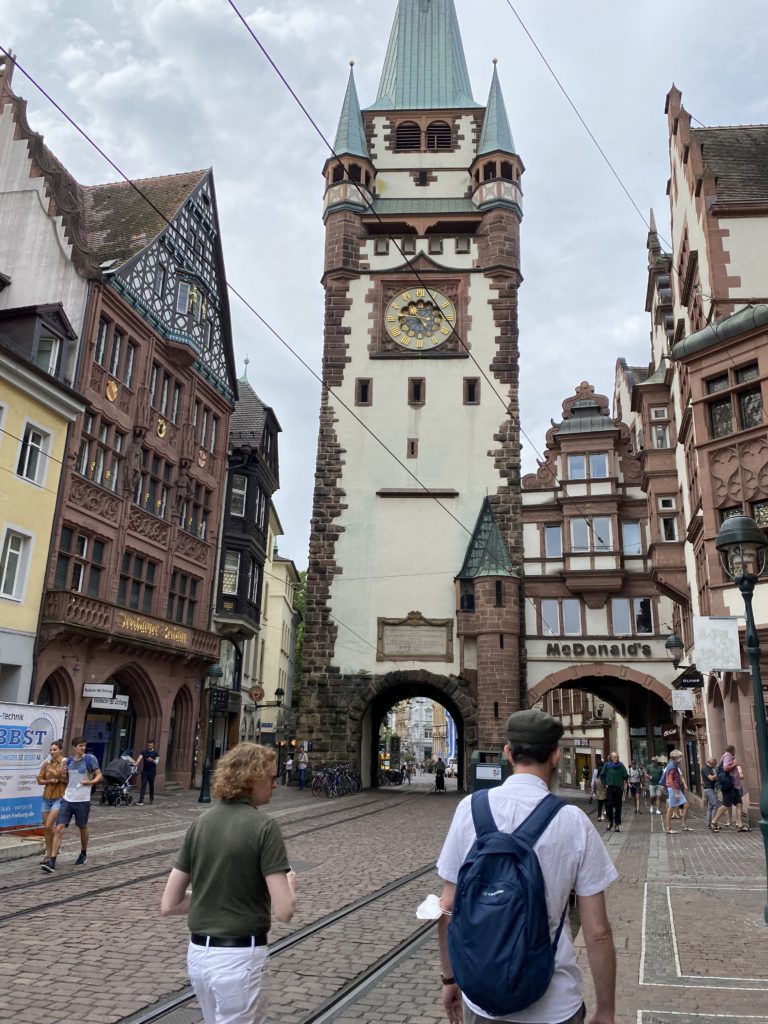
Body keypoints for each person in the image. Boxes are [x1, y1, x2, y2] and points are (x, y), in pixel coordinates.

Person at [437, 709, 617, 1024]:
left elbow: (448, 907)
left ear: (508, 753)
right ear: (556, 755)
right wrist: (606, 1010)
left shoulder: (470, 809)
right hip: (555, 1002)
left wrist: (450, 979)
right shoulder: (573, 821)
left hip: (482, 999)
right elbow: (597, 932)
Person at [161, 743, 297, 1024]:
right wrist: (291, 883)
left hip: (199, 956)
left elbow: (169, 904)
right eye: (272, 777)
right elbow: (285, 911)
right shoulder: (264, 827)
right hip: (240, 959)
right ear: (253, 778)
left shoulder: (201, 822)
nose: (275, 784)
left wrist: (210, 898)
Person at [43, 736, 102, 873]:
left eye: (84, 746)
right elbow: (62, 778)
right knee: (59, 828)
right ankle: (52, 862)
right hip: (67, 799)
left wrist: (91, 782)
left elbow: (99, 775)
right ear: (74, 747)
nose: (83, 748)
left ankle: (83, 853)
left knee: (82, 827)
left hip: (82, 800)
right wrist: (60, 774)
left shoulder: (90, 759)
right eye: (80, 746)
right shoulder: (68, 761)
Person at [36, 739, 67, 865]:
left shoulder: (64, 762)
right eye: (51, 750)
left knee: (49, 825)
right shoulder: (47, 763)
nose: (52, 752)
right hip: (46, 797)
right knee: (47, 828)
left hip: (59, 797)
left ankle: (55, 846)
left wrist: (58, 776)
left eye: (54, 749)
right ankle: (49, 853)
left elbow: (67, 780)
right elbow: (39, 779)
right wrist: (49, 781)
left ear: (60, 750)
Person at [711, 744, 747, 832]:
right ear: (732, 750)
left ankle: (740, 824)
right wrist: (735, 764)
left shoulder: (726, 756)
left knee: (739, 803)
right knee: (726, 804)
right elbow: (726, 768)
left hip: (733, 786)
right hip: (729, 785)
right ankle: (714, 822)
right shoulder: (727, 756)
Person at [663, 749, 691, 834]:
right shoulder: (672, 766)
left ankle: (683, 824)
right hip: (673, 789)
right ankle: (668, 828)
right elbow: (670, 780)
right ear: (675, 757)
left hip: (676, 788)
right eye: (680, 757)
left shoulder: (674, 765)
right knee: (671, 808)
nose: (681, 758)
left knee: (686, 804)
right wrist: (675, 792)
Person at [600, 752, 628, 833]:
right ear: (611, 758)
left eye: (617, 757)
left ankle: (617, 824)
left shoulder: (621, 766)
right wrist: (605, 784)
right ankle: (610, 821)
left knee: (618, 807)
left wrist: (624, 783)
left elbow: (625, 776)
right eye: (615, 757)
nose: (617, 758)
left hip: (618, 789)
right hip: (610, 788)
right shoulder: (607, 765)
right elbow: (602, 775)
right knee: (608, 805)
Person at [136, 740, 159, 805]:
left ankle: (151, 799)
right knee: (143, 785)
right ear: (147, 745)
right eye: (149, 745)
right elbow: (140, 757)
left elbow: (157, 762)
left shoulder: (155, 753)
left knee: (151, 785)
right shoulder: (144, 752)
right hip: (145, 771)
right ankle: (141, 801)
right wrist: (136, 763)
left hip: (152, 772)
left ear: (153, 745)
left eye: (151, 745)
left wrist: (152, 760)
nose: (150, 746)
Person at [701, 758, 719, 829]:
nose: (714, 766)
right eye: (714, 764)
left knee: (710, 807)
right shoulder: (705, 769)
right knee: (715, 805)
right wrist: (717, 774)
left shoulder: (710, 769)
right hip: (709, 789)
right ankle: (713, 823)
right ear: (710, 763)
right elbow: (711, 778)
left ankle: (709, 824)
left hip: (710, 789)